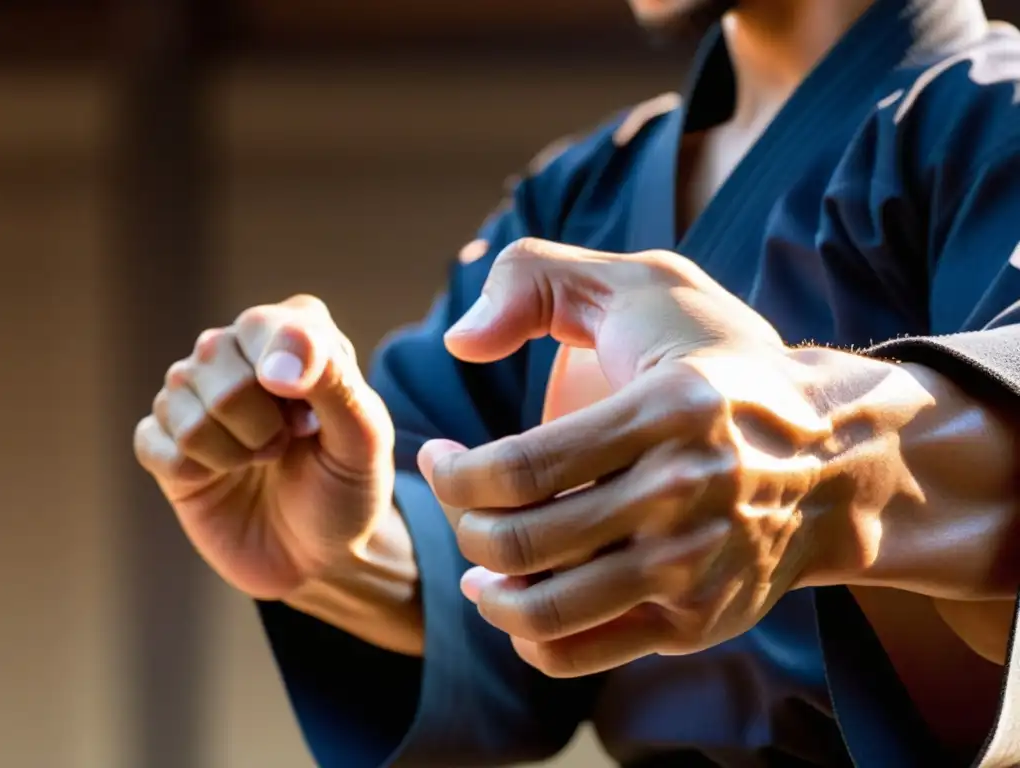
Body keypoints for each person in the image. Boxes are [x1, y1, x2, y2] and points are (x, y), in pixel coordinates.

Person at [133, 0, 1020, 765]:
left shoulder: (992, 115)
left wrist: (830, 463)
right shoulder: (580, 198)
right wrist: (342, 550)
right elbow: (477, 587)